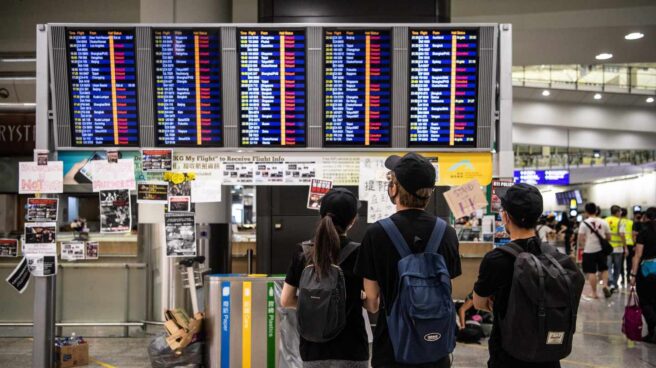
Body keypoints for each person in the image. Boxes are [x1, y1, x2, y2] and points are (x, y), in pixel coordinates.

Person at [356, 152, 461, 368]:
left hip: (393, 349)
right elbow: (447, 288)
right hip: (436, 347)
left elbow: (373, 303)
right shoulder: (447, 233)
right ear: (429, 193)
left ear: (393, 189)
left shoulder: (377, 234)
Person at [473, 184, 561, 368]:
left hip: (508, 354)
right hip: (548, 355)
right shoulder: (554, 256)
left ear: (505, 216)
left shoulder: (496, 259)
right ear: (537, 217)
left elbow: (479, 303)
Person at [281, 188, 369, 368]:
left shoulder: (303, 252)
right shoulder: (360, 253)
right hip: (352, 349)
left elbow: (286, 300)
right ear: (352, 221)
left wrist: (318, 302)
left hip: (313, 350)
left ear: (322, 216)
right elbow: (373, 305)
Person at [629, 207, 656, 344]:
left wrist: (633, 274)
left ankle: (653, 330)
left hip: (647, 272)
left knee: (645, 301)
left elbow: (638, 255)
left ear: (646, 218)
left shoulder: (644, 233)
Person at [578, 202, 612, 299]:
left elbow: (581, 239)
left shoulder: (584, 223)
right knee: (604, 269)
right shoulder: (603, 222)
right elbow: (609, 237)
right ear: (596, 210)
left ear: (586, 211)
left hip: (589, 250)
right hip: (601, 250)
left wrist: (584, 245)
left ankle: (594, 293)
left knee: (591, 272)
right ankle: (605, 285)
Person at [605, 205, 626, 292]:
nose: (621, 213)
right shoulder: (620, 221)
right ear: (617, 212)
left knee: (608, 266)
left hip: (608, 248)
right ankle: (614, 283)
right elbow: (622, 234)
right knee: (617, 267)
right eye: (620, 211)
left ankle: (610, 280)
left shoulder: (605, 220)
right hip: (618, 248)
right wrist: (625, 247)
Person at [621, 208, 635, 286]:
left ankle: (622, 278)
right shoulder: (631, 222)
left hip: (621, 244)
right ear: (626, 214)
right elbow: (632, 234)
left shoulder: (619, 222)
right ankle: (628, 277)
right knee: (629, 262)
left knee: (620, 263)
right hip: (630, 243)